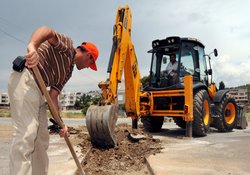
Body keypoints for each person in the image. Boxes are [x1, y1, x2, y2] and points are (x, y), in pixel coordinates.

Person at [8, 26, 99, 175]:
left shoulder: (68, 71)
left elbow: (53, 96)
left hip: (39, 91)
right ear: (88, 55)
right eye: (91, 64)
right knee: (26, 135)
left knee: (41, 140)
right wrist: (32, 46)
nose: (89, 67)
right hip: (26, 79)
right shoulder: (67, 47)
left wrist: (60, 123)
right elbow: (47, 31)